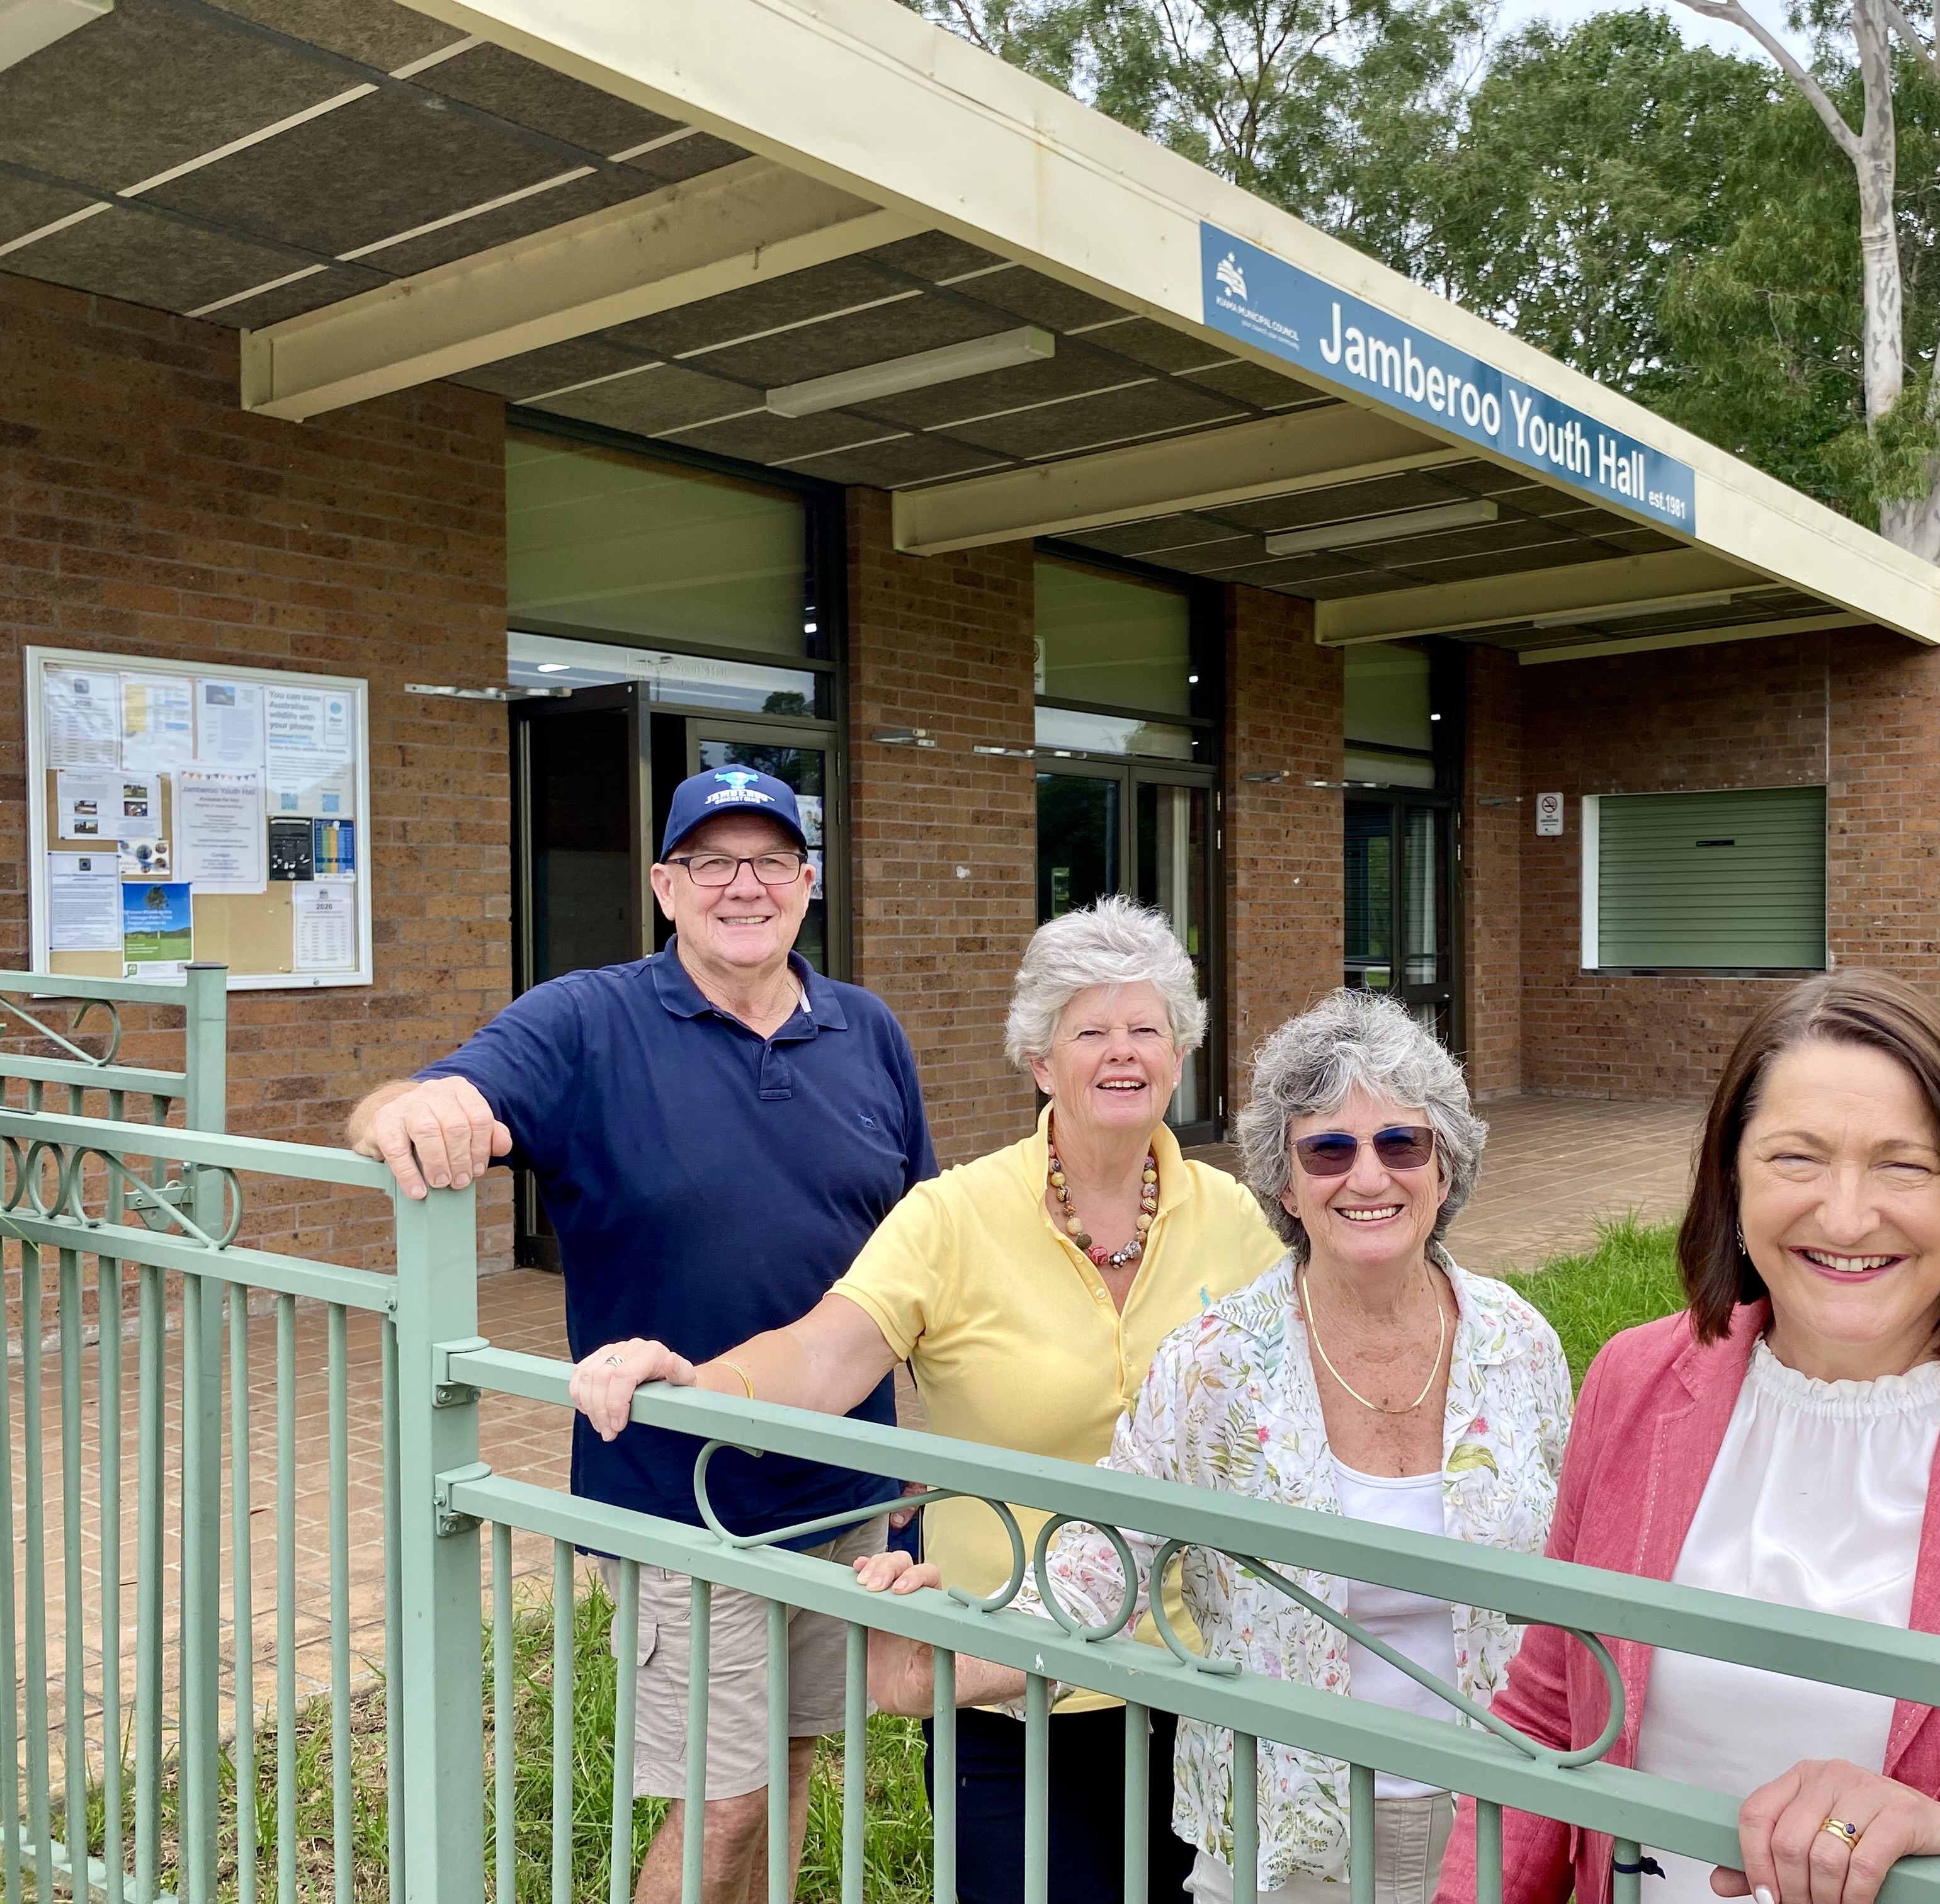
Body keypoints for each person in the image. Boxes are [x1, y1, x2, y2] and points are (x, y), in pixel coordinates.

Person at [1434, 969, 1940, 1904]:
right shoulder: (1635, 1381)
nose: (1844, 1216)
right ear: (1731, 1179)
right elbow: (1552, 1711)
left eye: (1903, 1164)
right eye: (1796, 1159)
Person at [569, 896, 1286, 1904]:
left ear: (1180, 1053)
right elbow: (826, 1352)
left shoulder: (1238, 1222)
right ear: (1040, 1061)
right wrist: (701, 1383)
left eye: (1147, 1029)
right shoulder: (955, 1215)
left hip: (1202, 1679)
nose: (1121, 1054)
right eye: (1090, 1031)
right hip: (1008, 1683)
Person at [348, 765, 933, 1904]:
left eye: (770, 860)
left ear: (808, 884)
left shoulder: (867, 1030)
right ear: (666, 887)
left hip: (850, 1489)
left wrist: (919, 1466)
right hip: (683, 1497)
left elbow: (923, 1257)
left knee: (794, 1755)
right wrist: (411, 1111)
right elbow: (407, 1105)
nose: (743, 886)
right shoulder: (586, 1022)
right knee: (722, 1802)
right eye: (712, 862)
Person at [851, 989, 1574, 1904]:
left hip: (1494, 1809)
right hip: (1282, 1826)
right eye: (1329, 1150)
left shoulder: (1518, 1343)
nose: (1368, 1177)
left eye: (1402, 1143)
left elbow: (1577, 1567)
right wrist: (953, 1645)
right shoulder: (1219, 1361)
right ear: (1285, 1182)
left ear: (1445, 1165)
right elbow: (1106, 1561)